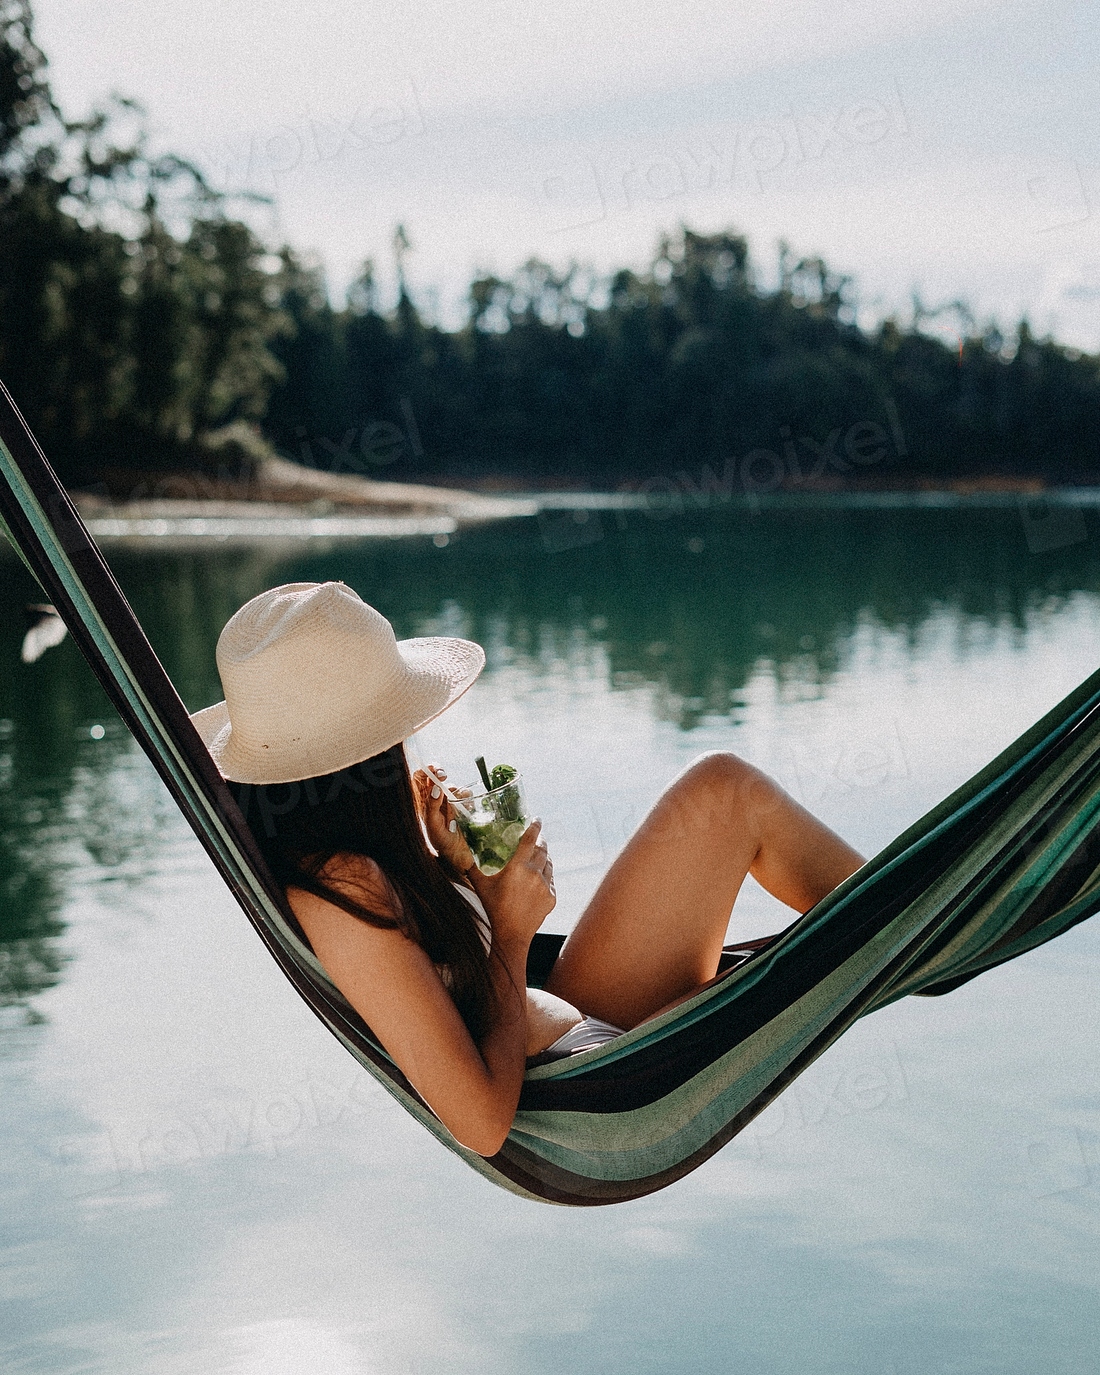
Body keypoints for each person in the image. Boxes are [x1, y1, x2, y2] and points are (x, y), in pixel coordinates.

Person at [192, 581, 864, 1157]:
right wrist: (512, 931)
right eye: (395, 728)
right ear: (365, 759)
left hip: (589, 1035)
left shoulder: (349, 864)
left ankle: (911, 911)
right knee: (830, 947)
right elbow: (480, 1125)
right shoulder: (342, 890)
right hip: (605, 1083)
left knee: (725, 788)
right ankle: (914, 919)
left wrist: (461, 873)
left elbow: (445, 980)